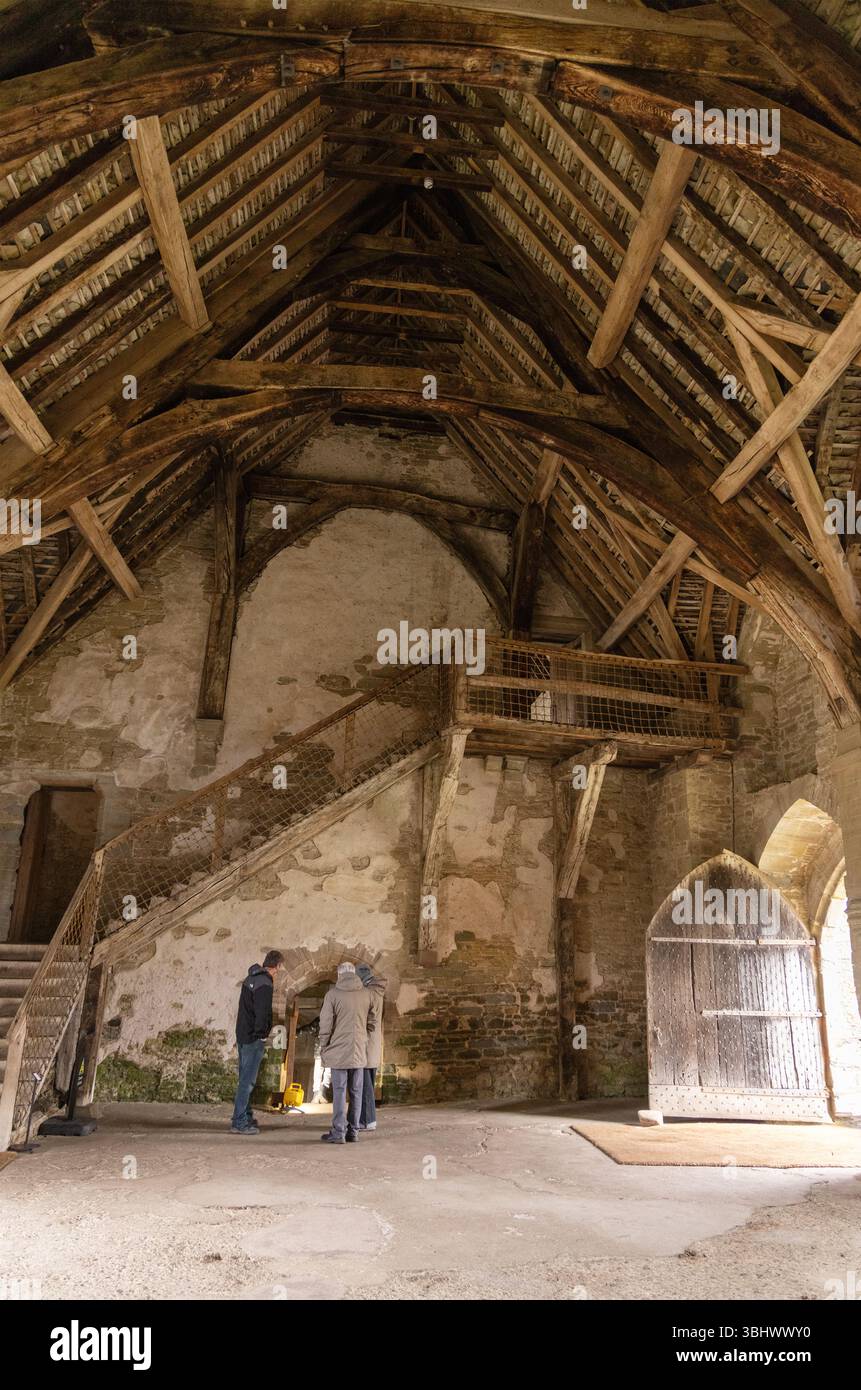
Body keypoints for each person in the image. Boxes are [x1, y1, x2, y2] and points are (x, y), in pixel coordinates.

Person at [318, 961, 374, 1144]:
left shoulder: (332, 995)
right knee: (356, 1091)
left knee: (340, 1091)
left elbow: (326, 1023)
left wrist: (324, 1044)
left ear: (339, 974)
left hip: (338, 1050)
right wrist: (363, 1036)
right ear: (354, 974)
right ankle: (353, 1132)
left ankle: (338, 1132)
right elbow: (372, 1021)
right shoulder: (367, 994)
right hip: (359, 1049)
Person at [231, 950, 284, 1134]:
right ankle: (239, 1122)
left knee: (244, 1078)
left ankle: (245, 1116)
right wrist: (262, 1034)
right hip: (253, 1037)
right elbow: (262, 1012)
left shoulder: (250, 978)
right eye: (279, 968)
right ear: (277, 966)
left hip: (243, 1035)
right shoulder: (264, 983)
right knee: (248, 1081)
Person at [356, 963, 386, 1131]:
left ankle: (367, 1120)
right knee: (367, 1081)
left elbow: (369, 1020)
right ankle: (365, 1118)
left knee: (365, 1083)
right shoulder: (377, 992)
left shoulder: (369, 993)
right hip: (371, 1044)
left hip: (366, 1043)